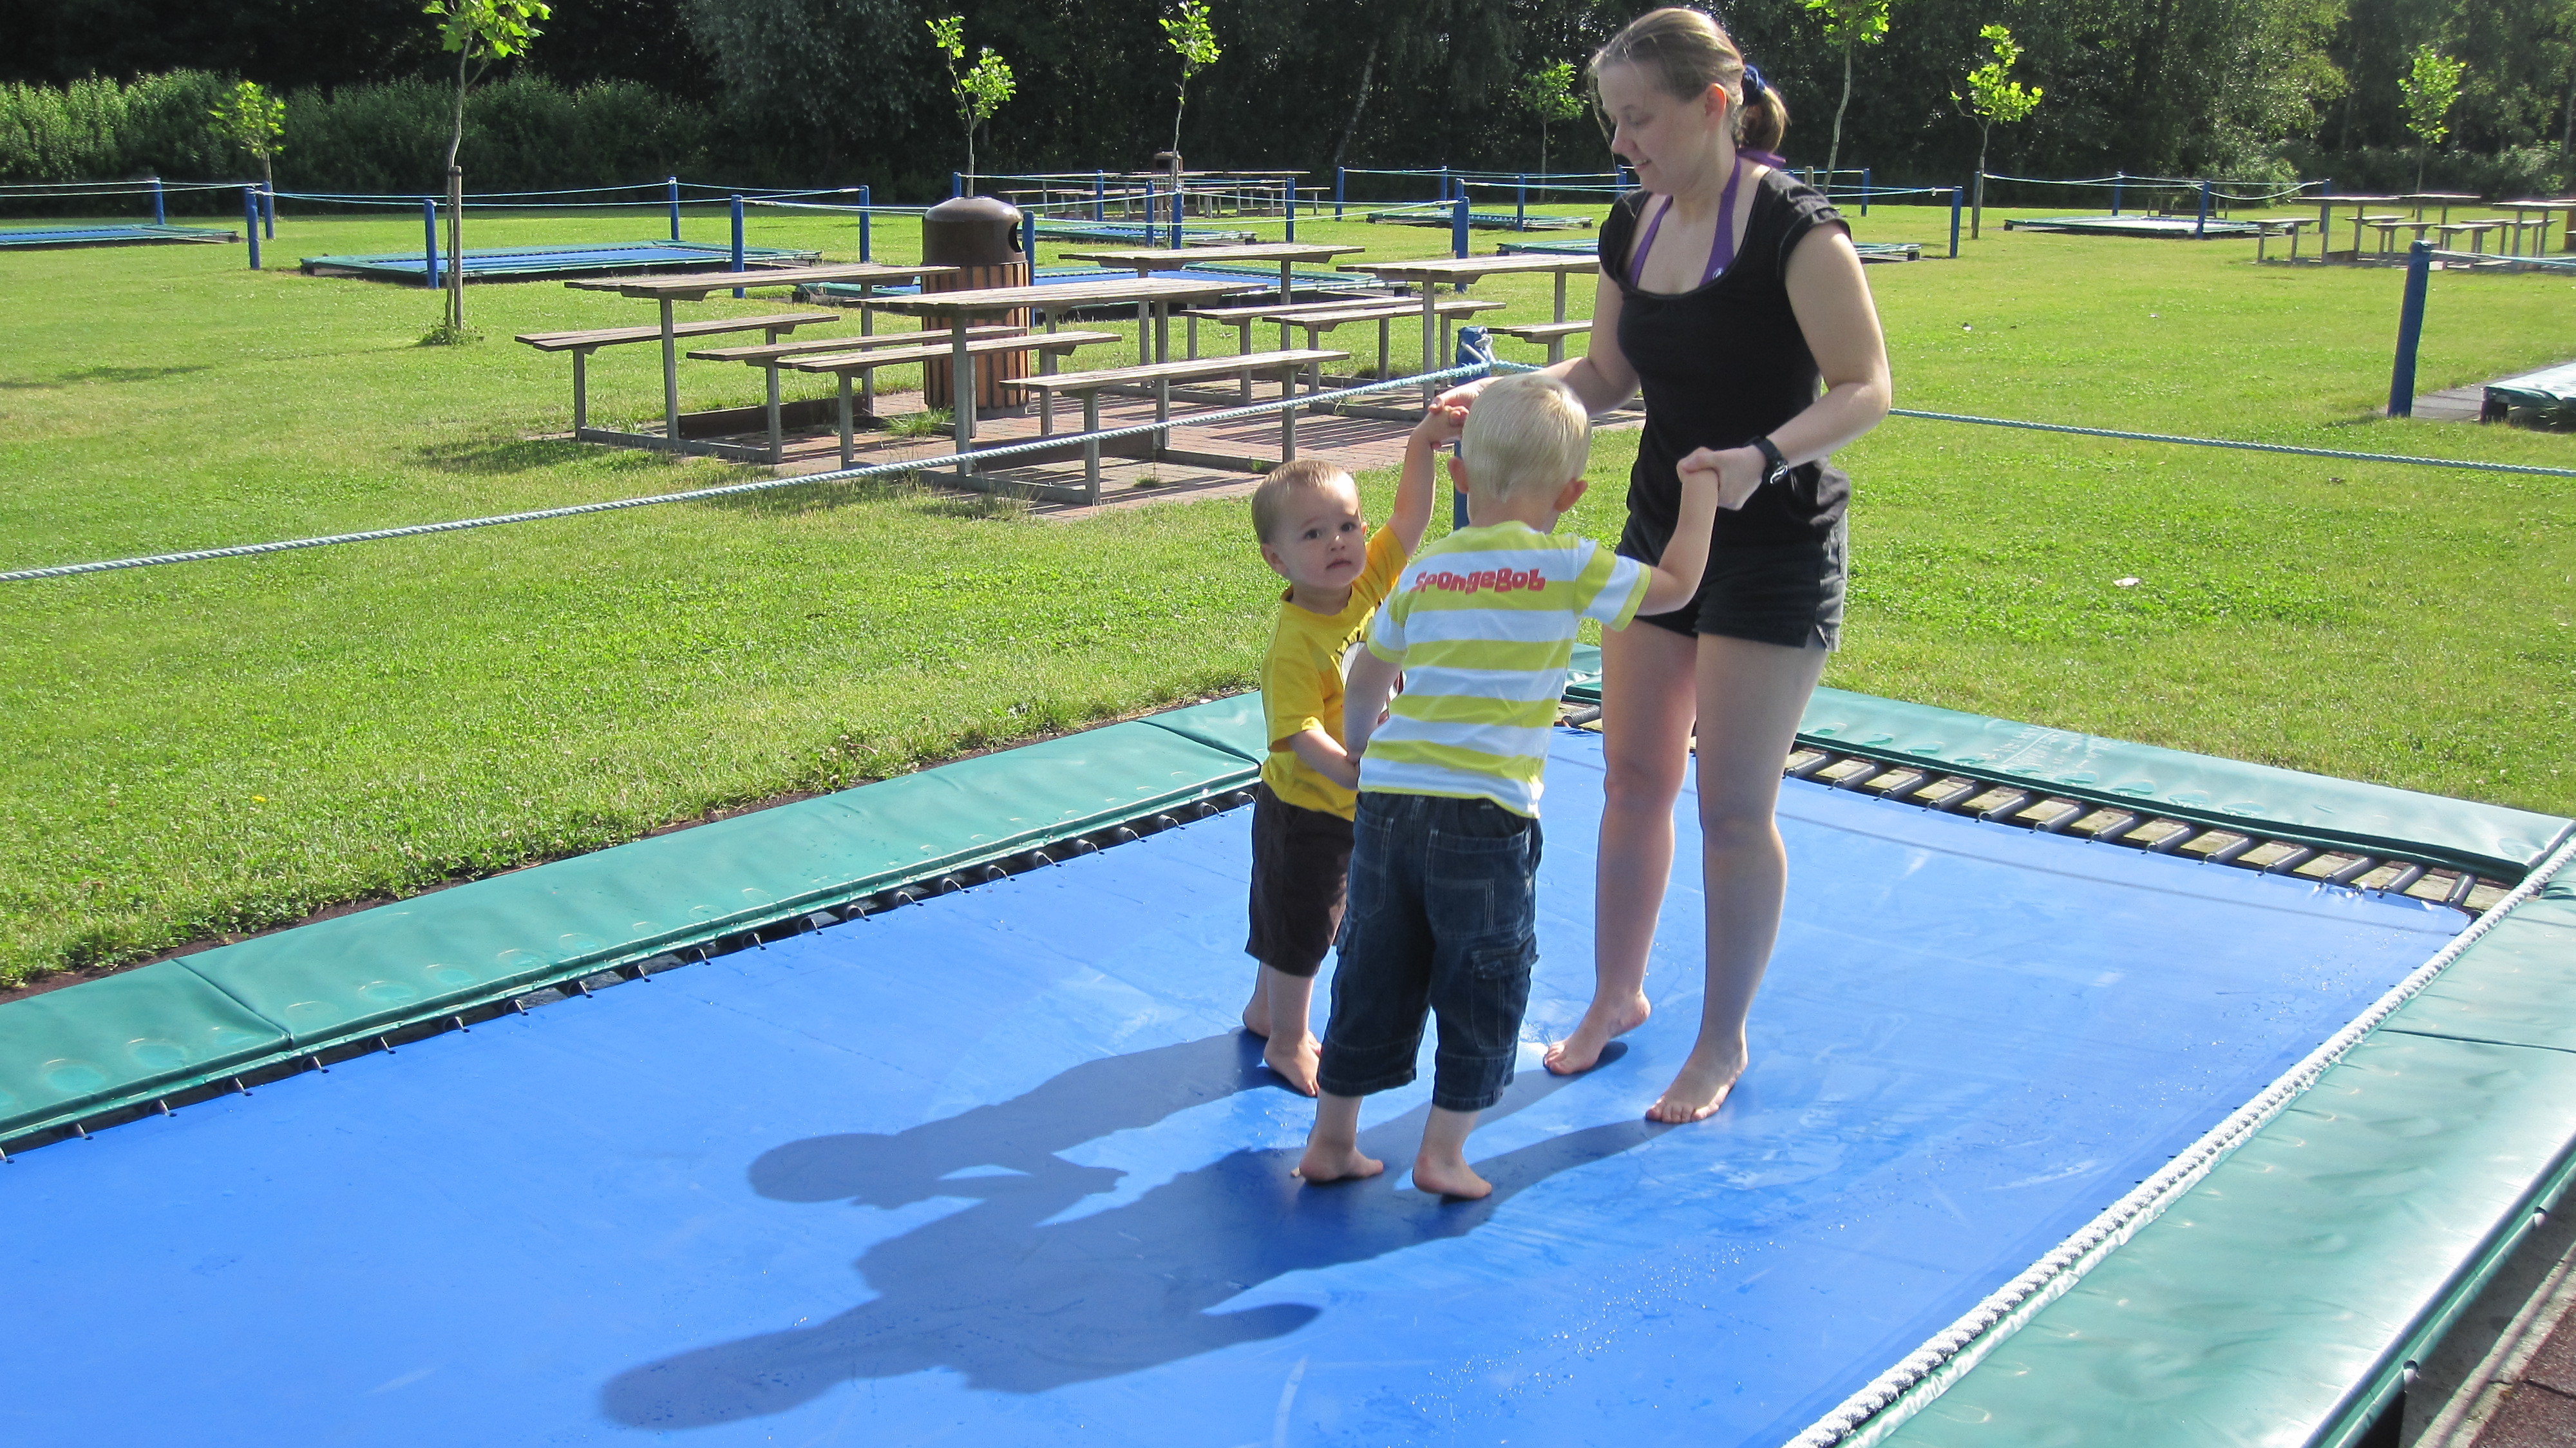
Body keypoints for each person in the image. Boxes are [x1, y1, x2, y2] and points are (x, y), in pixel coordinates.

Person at [1442, 6, 1893, 1124]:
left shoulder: (1796, 230)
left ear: (1714, 106)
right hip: (1659, 527)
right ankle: (1618, 995)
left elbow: (1866, 386)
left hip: (1772, 542)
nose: (1622, 142)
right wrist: (1511, 399)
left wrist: (1760, 459)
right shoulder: (1631, 225)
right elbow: (1605, 375)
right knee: (1635, 778)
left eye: (1639, 118)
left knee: (1733, 809)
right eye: (1614, 120)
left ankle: (1721, 1036)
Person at [1296, 372, 1723, 1199]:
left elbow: (1369, 671)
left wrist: (1362, 746)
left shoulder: (1428, 569)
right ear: (1571, 494)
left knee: (1375, 966)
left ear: (1459, 478)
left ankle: (1332, 1140)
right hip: (1485, 813)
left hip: (1390, 804)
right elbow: (1676, 588)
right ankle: (1442, 1151)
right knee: (1482, 976)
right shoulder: (1565, 565)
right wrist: (1699, 496)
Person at [1240, 410, 1456, 1094]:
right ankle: (1287, 1039)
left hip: (1346, 801)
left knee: (1291, 918)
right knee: (1305, 928)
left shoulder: (1367, 584)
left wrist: (1421, 443)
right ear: (1277, 560)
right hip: (1308, 810)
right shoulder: (1295, 643)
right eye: (1313, 534)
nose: (1338, 541)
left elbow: (1412, 519)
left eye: (1348, 524)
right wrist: (1352, 772)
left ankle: (1264, 1009)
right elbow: (1300, 731)